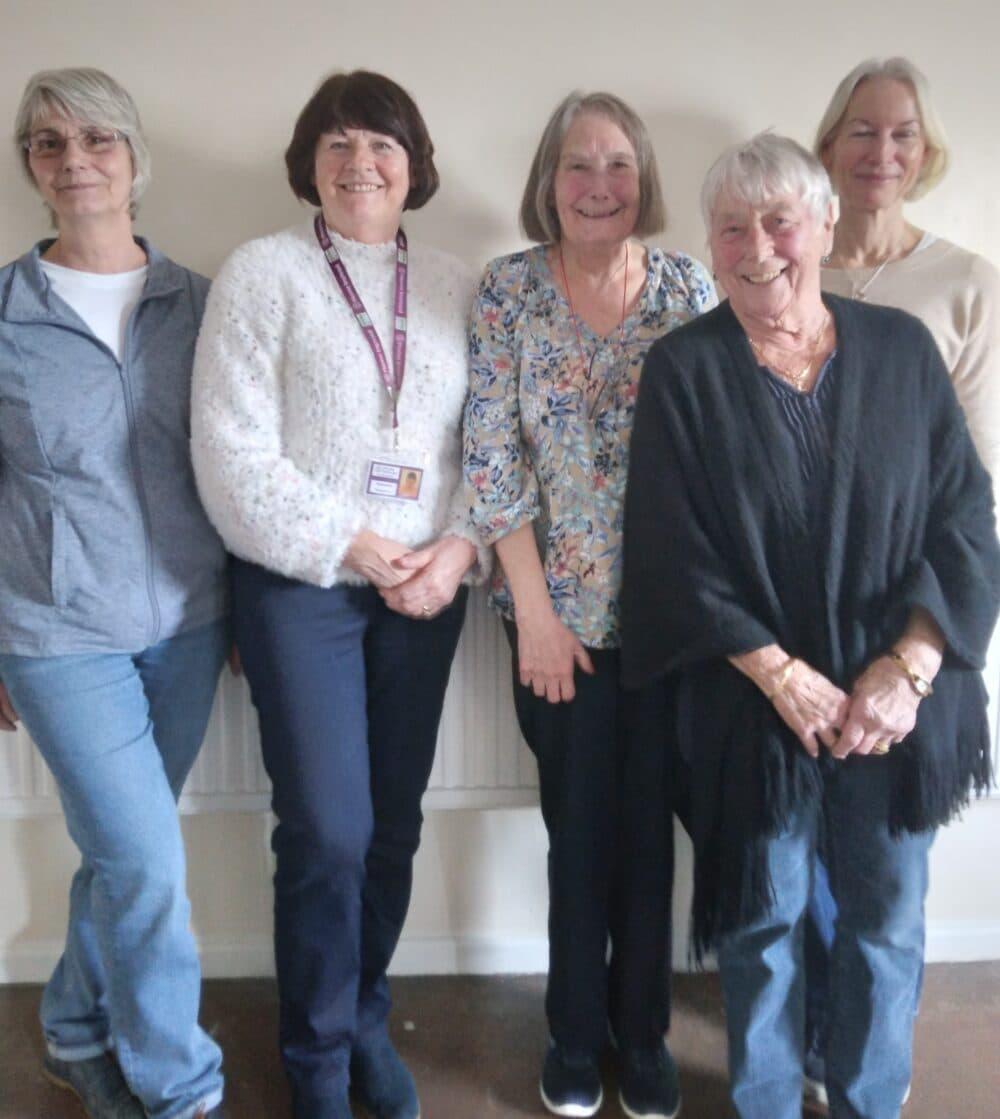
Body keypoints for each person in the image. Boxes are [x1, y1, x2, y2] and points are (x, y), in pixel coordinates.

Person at [621, 133, 1000, 1119]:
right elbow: (668, 548)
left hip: (892, 706)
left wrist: (909, 667)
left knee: (882, 923)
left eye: (779, 221)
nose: (759, 249)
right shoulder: (683, 370)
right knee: (761, 925)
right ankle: (766, 1106)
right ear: (707, 245)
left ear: (826, 226)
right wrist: (779, 673)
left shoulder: (901, 353)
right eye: (732, 228)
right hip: (755, 706)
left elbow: (964, 516)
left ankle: (871, 1100)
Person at [191, 70, 484, 1119]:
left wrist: (454, 552)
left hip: (426, 591)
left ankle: (363, 1015)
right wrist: (355, 545)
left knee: (392, 827)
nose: (360, 163)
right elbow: (229, 454)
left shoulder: (456, 282)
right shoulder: (262, 272)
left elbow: (480, 453)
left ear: (416, 166)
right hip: (302, 587)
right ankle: (313, 1058)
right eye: (338, 143)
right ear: (308, 162)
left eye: (382, 144)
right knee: (328, 830)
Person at [464, 90, 715, 1119]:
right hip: (551, 622)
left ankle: (643, 1035)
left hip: (667, 626)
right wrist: (537, 614)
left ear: (642, 180)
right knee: (580, 832)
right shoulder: (507, 292)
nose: (598, 185)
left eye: (616, 164)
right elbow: (489, 461)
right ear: (548, 181)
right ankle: (573, 1037)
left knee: (649, 838)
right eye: (578, 165)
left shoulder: (689, 287)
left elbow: (716, 461)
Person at [0, 69, 227, 1119]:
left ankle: (74, 1023)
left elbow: (238, 463)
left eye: (96, 138)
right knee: (145, 863)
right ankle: (179, 1091)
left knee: (117, 853)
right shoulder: (5, 315)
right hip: (55, 636)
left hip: (190, 625)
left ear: (136, 160)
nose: (74, 158)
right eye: (48, 143)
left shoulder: (204, 302)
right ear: (31, 169)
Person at [794, 56, 1000, 1107]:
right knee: (797, 881)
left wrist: (911, 653)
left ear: (926, 155)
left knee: (883, 882)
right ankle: (819, 1046)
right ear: (827, 145)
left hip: (904, 608)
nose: (881, 152)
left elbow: (967, 481)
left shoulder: (962, 281)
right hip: (789, 615)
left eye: (903, 136)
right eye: (861, 132)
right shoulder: (784, 263)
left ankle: (870, 1081)